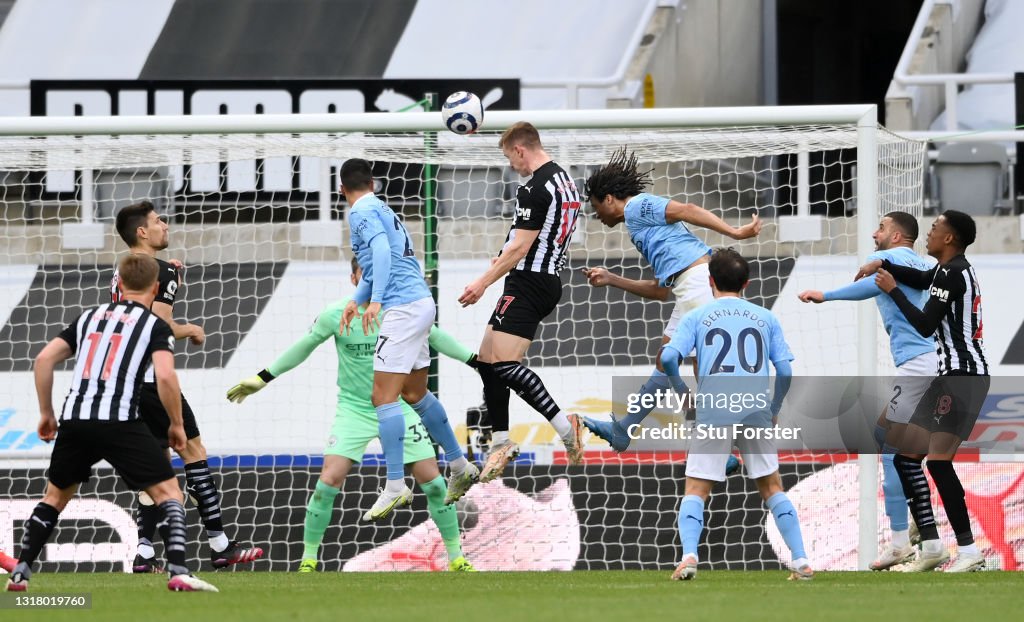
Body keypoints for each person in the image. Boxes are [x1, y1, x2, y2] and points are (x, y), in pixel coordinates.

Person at [226, 256, 477, 572]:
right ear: (354, 278)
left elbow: (437, 338)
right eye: (365, 275)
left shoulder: (399, 312)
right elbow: (304, 346)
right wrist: (262, 377)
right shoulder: (337, 314)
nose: (372, 281)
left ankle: (456, 558)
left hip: (398, 406)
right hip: (355, 411)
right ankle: (308, 560)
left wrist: (476, 361)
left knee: (435, 484)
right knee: (327, 481)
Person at [5, 254, 217, 593]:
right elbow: (165, 375)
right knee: (169, 493)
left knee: (54, 498)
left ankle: (21, 573)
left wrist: (46, 413)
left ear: (118, 284)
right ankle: (178, 571)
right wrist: (175, 423)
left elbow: (43, 359)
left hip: (75, 419)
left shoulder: (88, 317)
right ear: (156, 287)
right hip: (120, 420)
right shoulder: (154, 325)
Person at [111, 200, 263, 571]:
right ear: (142, 232)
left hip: (125, 382)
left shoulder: (122, 272)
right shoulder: (163, 271)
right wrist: (190, 329)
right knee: (194, 452)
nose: (166, 225)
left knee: (157, 468)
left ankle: (145, 552)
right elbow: (158, 326)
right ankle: (219, 544)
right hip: (152, 380)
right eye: (158, 221)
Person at [581, 148, 761, 452]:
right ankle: (624, 429)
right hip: (687, 287)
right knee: (667, 360)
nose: (597, 215)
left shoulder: (637, 207)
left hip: (699, 285)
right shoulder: (640, 227)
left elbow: (687, 209)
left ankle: (720, 447)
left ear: (609, 198)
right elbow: (661, 291)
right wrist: (612, 279)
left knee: (697, 365)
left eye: (597, 206)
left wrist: (735, 233)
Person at [661, 248, 811, 581]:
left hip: (714, 408)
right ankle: (800, 559)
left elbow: (669, 357)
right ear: (747, 283)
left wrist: (683, 392)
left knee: (697, 488)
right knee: (772, 487)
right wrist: (773, 408)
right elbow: (785, 370)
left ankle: (688, 557)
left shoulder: (697, 316)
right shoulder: (765, 317)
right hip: (755, 407)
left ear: (711, 280)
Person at [340, 158, 478, 520]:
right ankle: (461, 465)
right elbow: (378, 264)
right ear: (372, 182)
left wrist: (378, 301)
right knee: (414, 393)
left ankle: (396, 485)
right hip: (420, 301)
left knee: (381, 397)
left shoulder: (360, 212)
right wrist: (358, 301)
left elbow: (383, 255)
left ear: (342, 190)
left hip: (401, 308)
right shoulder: (384, 208)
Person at [798, 211, 935, 570]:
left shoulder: (896, 259)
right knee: (891, 441)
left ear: (896, 236)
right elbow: (878, 283)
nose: (875, 233)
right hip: (930, 366)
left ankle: (902, 539)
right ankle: (918, 518)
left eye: (881, 228)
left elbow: (875, 277)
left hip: (919, 366)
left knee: (890, 452)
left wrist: (826, 295)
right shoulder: (916, 263)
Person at [860, 210, 990, 573]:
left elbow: (923, 324)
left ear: (949, 238)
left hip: (963, 378)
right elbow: (917, 274)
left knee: (937, 461)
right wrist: (882, 262)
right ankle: (932, 545)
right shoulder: (947, 270)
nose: (928, 233)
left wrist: (892, 290)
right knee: (906, 457)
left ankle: (968, 551)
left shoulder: (950, 273)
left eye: (935, 228)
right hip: (949, 378)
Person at [458, 121, 586, 482]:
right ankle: (501, 441)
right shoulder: (565, 180)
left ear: (520, 150)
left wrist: (483, 282)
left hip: (529, 282)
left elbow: (520, 246)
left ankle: (566, 427)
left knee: (503, 366)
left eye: (509, 157)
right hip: (541, 279)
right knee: (486, 359)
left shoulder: (534, 188)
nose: (511, 165)